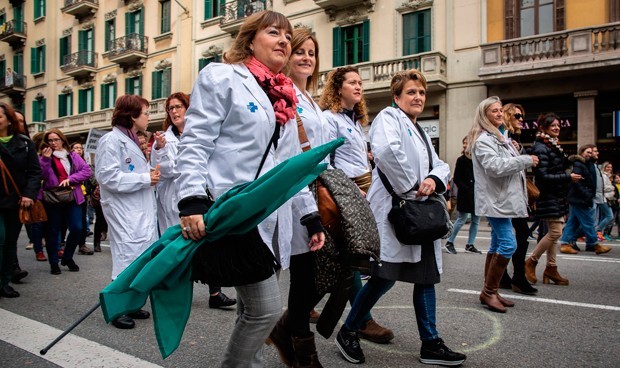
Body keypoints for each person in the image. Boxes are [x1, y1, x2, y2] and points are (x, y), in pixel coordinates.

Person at [174, 11, 324, 367]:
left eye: (288, 36)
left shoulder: (285, 96)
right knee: (266, 310)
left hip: (268, 215)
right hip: (230, 208)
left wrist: (309, 216)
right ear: (250, 40)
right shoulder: (222, 76)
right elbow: (196, 141)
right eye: (274, 32)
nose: (285, 41)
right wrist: (191, 200)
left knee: (250, 308)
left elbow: (287, 168)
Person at [335, 70, 466, 366]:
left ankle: (431, 343)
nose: (418, 97)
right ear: (397, 97)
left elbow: (441, 164)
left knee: (426, 278)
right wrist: (413, 188)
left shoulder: (419, 129)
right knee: (383, 278)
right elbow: (386, 152)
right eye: (411, 92)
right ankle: (348, 331)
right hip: (398, 214)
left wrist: (433, 178)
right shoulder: (388, 118)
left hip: (419, 215)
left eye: (421, 92)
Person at [267, 27, 332, 367]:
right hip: (295, 195)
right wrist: (308, 207)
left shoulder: (311, 99)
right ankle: (300, 349)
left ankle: (286, 333)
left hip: (313, 191)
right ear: (287, 56)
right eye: (300, 52)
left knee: (311, 275)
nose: (307, 58)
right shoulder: (285, 93)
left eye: (312, 52)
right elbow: (290, 155)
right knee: (303, 276)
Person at [319, 66, 393, 344]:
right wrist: (348, 193)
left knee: (354, 260)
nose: (359, 86)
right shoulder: (329, 119)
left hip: (365, 190)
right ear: (338, 88)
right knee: (351, 260)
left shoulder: (355, 121)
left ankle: (309, 310)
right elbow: (327, 162)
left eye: (360, 82)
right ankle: (362, 320)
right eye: (352, 82)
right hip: (347, 192)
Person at [151, 92, 235, 309]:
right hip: (175, 199)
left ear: (188, 108)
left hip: (204, 195)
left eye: (178, 106)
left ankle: (215, 293)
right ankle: (173, 294)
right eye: (170, 108)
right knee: (178, 247)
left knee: (210, 241)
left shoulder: (201, 132)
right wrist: (160, 150)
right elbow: (165, 171)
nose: (175, 111)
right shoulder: (163, 140)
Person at [467, 96, 538, 313]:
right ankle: (489, 292)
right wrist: (525, 160)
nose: (499, 114)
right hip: (496, 201)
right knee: (509, 244)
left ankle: (492, 291)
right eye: (494, 111)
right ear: (484, 115)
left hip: (502, 200)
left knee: (497, 245)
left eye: (500, 110)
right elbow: (495, 167)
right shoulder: (484, 140)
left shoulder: (499, 137)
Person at [95, 94, 160, 329]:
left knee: (139, 256)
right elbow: (107, 176)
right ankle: (117, 309)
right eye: (146, 113)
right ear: (132, 116)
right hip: (124, 210)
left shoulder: (131, 140)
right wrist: (145, 178)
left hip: (138, 209)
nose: (148, 117)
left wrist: (148, 175)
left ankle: (132, 304)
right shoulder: (111, 141)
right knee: (126, 256)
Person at [523, 113, 581, 287]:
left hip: (557, 195)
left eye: (558, 125)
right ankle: (531, 261)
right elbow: (542, 175)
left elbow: (554, 167)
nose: (557, 128)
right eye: (553, 125)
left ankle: (551, 268)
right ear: (543, 128)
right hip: (549, 196)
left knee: (555, 235)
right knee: (556, 232)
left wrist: (569, 162)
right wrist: (567, 177)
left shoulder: (551, 145)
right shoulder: (541, 147)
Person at [0, 102, 41, 298]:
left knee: (9, 242)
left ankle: (4, 282)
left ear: (9, 120)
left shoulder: (25, 143)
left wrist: (28, 195)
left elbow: (34, 172)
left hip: (16, 202)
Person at [499, 103, 538, 295]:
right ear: (507, 116)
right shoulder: (500, 137)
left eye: (522, 116)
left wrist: (519, 149)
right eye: (517, 116)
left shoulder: (512, 139)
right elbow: (499, 166)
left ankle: (505, 277)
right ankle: (514, 277)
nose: (521, 120)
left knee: (512, 238)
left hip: (515, 196)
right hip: (505, 197)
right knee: (515, 238)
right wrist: (525, 158)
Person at [40, 129, 92, 274]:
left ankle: (68, 257)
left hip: (72, 196)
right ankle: (54, 263)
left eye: (56, 139)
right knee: (53, 231)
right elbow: (40, 175)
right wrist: (45, 159)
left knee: (77, 228)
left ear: (62, 140)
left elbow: (87, 171)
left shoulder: (73, 156)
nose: (53, 143)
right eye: (50, 140)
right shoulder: (44, 157)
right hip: (53, 198)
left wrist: (71, 179)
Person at [557, 145, 611, 255]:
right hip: (579, 198)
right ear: (581, 152)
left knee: (573, 222)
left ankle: (565, 243)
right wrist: (587, 195)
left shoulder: (585, 164)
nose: (589, 154)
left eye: (591, 153)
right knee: (588, 222)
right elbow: (577, 182)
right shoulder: (578, 164)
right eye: (588, 152)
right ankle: (594, 244)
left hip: (579, 198)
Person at [443, 136, 481, 255]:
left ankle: (470, 245)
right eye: (463, 143)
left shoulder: (477, 159)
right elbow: (457, 178)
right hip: (466, 194)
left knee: (476, 220)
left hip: (477, 194)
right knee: (462, 219)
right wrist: (467, 188)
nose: (464, 145)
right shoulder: (461, 160)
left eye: (467, 143)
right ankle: (449, 242)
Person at [70, 141, 95, 256]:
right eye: (76, 148)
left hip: (84, 195)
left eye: (80, 148)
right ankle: (61, 244)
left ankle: (82, 245)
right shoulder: (69, 162)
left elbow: (92, 179)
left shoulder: (86, 165)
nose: (79, 150)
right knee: (69, 222)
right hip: (69, 195)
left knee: (83, 222)